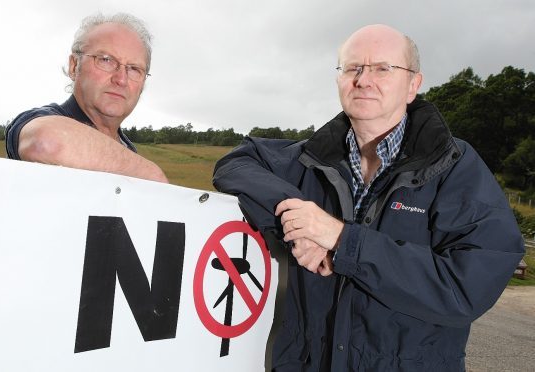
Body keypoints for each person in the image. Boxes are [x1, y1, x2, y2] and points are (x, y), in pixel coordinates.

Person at [213, 24, 524, 371]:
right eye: (352, 68)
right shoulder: (306, 158)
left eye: (382, 68)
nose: (363, 80)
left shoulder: (453, 167)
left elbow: (468, 287)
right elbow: (233, 165)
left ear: (413, 85)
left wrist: (342, 240)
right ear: (339, 79)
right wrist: (301, 220)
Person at [5, 13, 168, 183]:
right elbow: (46, 142)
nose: (121, 79)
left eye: (134, 69)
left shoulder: (127, 150)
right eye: (106, 60)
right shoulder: (41, 119)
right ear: (74, 66)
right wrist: (152, 173)